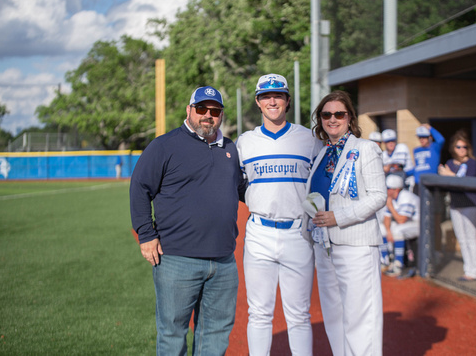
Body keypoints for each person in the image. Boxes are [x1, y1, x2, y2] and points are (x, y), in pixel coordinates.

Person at [130, 86, 246, 355]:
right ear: (189, 110)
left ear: (220, 115)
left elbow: (242, 189)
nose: (208, 115)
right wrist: (146, 235)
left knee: (216, 334)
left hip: (223, 261)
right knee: (172, 335)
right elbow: (139, 188)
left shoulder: (230, 148)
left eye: (214, 111)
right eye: (202, 109)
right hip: (177, 260)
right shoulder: (164, 145)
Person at [236, 74, 323, 356]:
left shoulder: (309, 139)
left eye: (278, 95)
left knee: (298, 314)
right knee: (259, 313)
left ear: (287, 101)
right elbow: (238, 185)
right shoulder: (245, 142)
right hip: (259, 231)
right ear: (258, 103)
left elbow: (321, 186)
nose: (272, 100)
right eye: (265, 96)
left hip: (298, 233)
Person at [303, 90, 386, 356]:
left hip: (356, 245)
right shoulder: (322, 153)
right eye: (326, 114)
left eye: (339, 114)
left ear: (350, 118)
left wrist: (339, 217)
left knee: (361, 319)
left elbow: (378, 196)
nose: (333, 119)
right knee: (334, 317)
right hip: (325, 246)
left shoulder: (366, 148)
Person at [438, 131, 476, 281]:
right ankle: (467, 269)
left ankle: (474, 271)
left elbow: (465, 181)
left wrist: (449, 175)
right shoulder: (450, 163)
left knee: (470, 238)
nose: (462, 149)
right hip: (456, 204)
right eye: (458, 147)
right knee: (461, 239)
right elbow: (447, 183)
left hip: (470, 204)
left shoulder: (472, 162)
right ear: (453, 148)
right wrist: (446, 175)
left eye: (464, 146)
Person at [380, 174, 421, 277]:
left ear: (396, 189)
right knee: (381, 229)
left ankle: (398, 264)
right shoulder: (392, 198)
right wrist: (388, 232)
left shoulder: (406, 197)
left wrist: (390, 207)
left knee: (397, 230)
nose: (386, 190)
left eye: (388, 188)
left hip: (419, 225)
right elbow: (386, 218)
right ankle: (385, 261)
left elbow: (402, 220)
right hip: (406, 224)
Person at [410, 124, 445, 193]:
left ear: (430, 137)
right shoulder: (416, 150)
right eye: (420, 137)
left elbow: (441, 140)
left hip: (431, 182)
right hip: (418, 183)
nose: (422, 139)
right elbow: (417, 167)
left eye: (424, 137)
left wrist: (430, 128)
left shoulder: (435, 147)